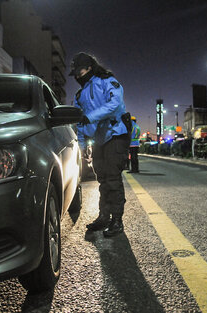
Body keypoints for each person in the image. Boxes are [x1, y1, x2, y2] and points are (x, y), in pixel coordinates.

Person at [70, 52, 130, 237]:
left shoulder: (106, 81)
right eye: (76, 73)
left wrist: (91, 116)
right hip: (98, 140)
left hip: (115, 134)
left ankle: (117, 220)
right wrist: (81, 147)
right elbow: (79, 122)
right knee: (103, 180)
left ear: (89, 67)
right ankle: (104, 217)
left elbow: (116, 104)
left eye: (80, 71)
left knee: (112, 178)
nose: (78, 75)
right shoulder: (79, 95)